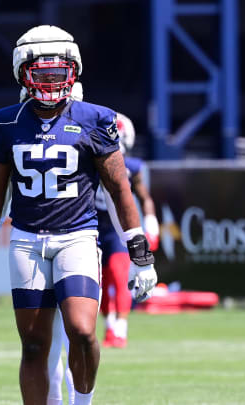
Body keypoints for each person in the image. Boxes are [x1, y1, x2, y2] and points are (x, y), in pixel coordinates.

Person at [0, 25, 157, 405]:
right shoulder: (5, 121)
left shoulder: (97, 118)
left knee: (82, 331)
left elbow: (120, 189)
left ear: (74, 71)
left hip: (77, 237)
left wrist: (141, 257)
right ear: (22, 73)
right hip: (27, 240)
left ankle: (82, 402)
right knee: (34, 345)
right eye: (42, 74)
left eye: (58, 72)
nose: (51, 82)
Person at [97, 112, 160, 348]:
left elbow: (145, 198)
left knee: (120, 274)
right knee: (99, 282)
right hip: (91, 224)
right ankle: (109, 325)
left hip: (117, 229)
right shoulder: (89, 160)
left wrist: (151, 222)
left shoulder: (132, 167)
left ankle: (120, 328)